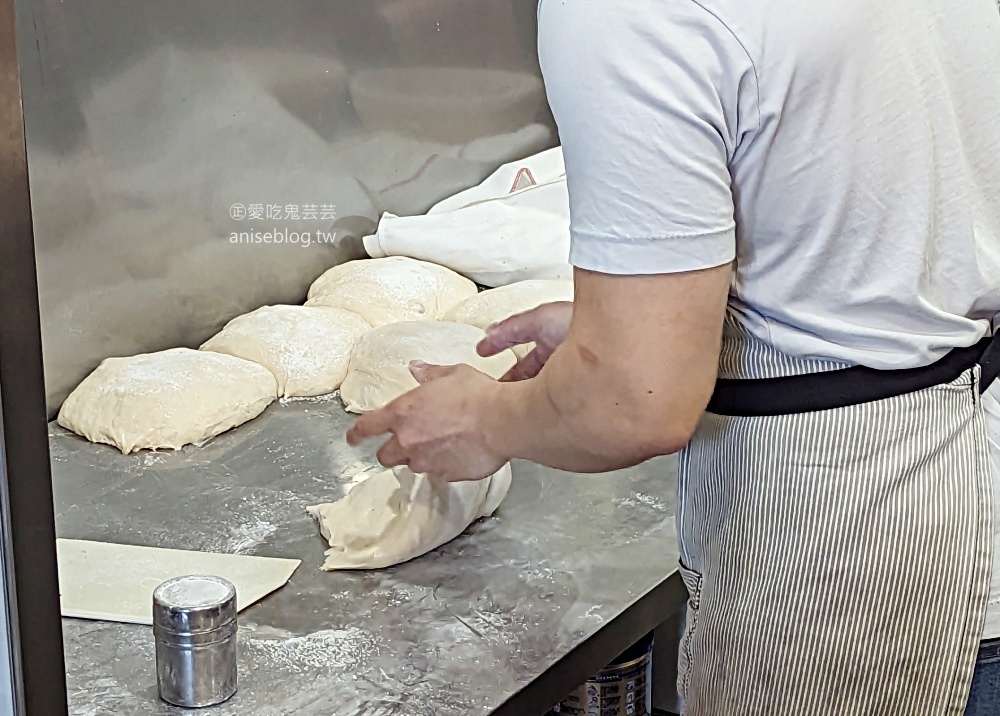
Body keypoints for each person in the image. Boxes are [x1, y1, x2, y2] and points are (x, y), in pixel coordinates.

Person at [347, 0, 1000, 712]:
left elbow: (636, 405)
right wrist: (652, 324)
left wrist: (487, 419)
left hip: (849, 525)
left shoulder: (624, 12)